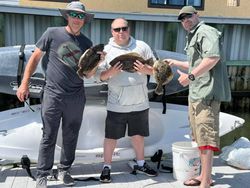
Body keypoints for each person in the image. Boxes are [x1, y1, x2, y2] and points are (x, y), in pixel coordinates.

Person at [16, 1, 102, 188]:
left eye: (81, 16)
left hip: (76, 96)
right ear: (67, 16)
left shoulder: (87, 43)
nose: (77, 19)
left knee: (71, 135)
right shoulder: (52, 33)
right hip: (53, 94)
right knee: (49, 135)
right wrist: (24, 83)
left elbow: (87, 74)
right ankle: (43, 175)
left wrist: (97, 62)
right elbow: (35, 58)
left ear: (84, 20)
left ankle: (64, 170)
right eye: (74, 15)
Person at [166, 6, 231, 188]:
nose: (185, 20)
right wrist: (175, 62)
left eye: (188, 16)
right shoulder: (193, 35)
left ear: (197, 15)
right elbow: (197, 62)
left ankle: (206, 181)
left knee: (207, 139)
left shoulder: (206, 31)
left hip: (207, 94)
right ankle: (204, 175)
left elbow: (212, 58)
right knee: (199, 138)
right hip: (196, 94)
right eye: (182, 19)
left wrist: (190, 76)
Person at [94, 18, 158, 183]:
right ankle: (106, 167)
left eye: (124, 28)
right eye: (117, 29)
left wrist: (146, 69)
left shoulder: (142, 46)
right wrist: (109, 74)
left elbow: (157, 70)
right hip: (117, 104)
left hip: (140, 102)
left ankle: (141, 163)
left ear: (129, 29)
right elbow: (98, 76)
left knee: (138, 136)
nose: (121, 32)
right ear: (111, 31)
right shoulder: (106, 51)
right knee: (111, 137)